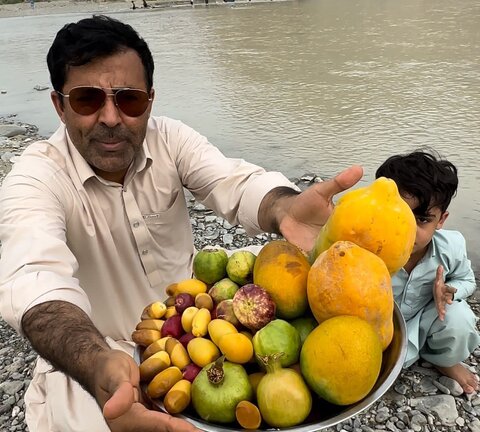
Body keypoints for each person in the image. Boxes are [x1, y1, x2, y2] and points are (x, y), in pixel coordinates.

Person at [0, 15, 363, 432]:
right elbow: (34, 281)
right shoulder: (35, 177)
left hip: (200, 326)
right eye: (87, 99)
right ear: (59, 105)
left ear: (150, 101)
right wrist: (97, 363)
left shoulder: (171, 140)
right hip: (96, 356)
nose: (112, 117)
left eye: (129, 99)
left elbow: (235, 183)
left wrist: (283, 207)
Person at [376, 150, 480, 394]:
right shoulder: (368, 251)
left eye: (422, 219)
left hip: (422, 320)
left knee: (460, 318)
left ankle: (441, 359)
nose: (408, 229)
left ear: (441, 220)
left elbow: (467, 279)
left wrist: (449, 292)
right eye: (398, 215)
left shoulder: (450, 248)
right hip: (378, 327)